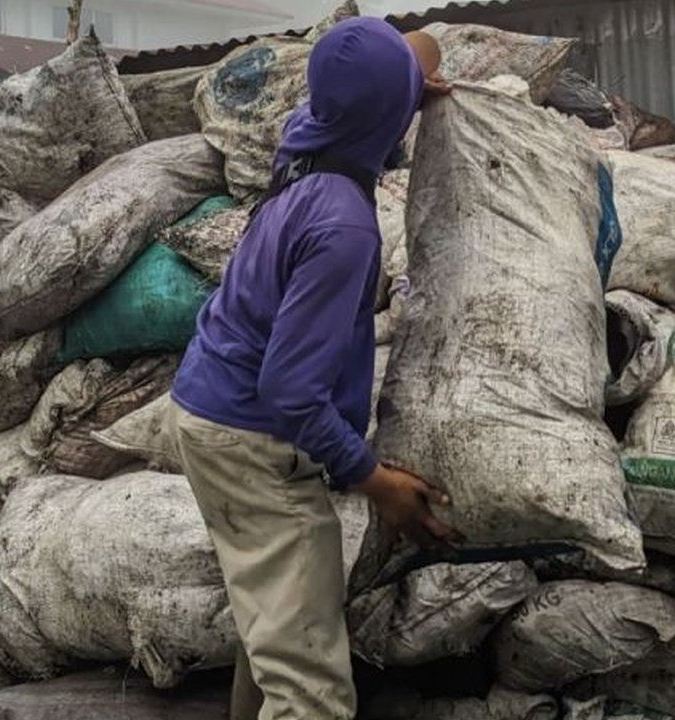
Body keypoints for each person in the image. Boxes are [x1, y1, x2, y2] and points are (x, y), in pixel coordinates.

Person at [164, 17, 457, 720]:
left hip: (211, 407)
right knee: (312, 690)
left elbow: (410, 57)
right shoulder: (344, 227)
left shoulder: (310, 142)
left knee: (281, 627)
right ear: (387, 118)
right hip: (251, 437)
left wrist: (410, 82)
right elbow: (292, 390)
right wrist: (371, 477)